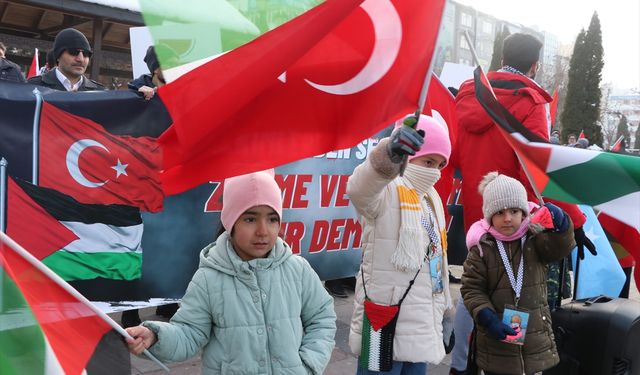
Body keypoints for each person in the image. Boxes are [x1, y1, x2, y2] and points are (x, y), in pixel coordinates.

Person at [449, 33, 595, 374]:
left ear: (502, 57)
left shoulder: (472, 95)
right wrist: (574, 220)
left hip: (479, 217)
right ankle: (508, 365)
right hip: (517, 222)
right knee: (518, 295)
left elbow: (456, 158)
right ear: (535, 65)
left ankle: (462, 365)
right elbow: (537, 169)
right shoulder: (529, 100)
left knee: (475, 290)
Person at [125, 170, 336, 374]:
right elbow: (189, 332)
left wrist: (309, 364)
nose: (263, 230)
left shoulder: (297, 270)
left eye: (272, 219)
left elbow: (322, 317)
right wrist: (155, 336)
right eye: (250, 219)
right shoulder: (209, 279)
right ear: (231, 222)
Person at [347, 114, 454, 374]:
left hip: (420, 328)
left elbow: (439, 260)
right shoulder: (387, 190)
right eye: (428, 161)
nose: (433, 172)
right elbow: (359, 190)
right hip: (383, 324)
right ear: (408, 156)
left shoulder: (432, 199)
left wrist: (446, 311)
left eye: (440, 165)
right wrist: (388, 155)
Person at [461, 172, 576, 375]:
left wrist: (562, 225)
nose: (507, 219)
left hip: (534, 338)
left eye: (514, 211)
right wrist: (487, 318)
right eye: (499, 213)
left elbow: (559, 248)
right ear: (489, 215)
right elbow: (472, 288)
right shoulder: (482, 247)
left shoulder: (535, 238)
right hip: (496, 342)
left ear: (523, 212)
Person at [28, 28, 104, 91]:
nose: (80, 59)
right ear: (58, 56)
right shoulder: (33, 87)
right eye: (73, 52)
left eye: (86, 54)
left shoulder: (100, 93)